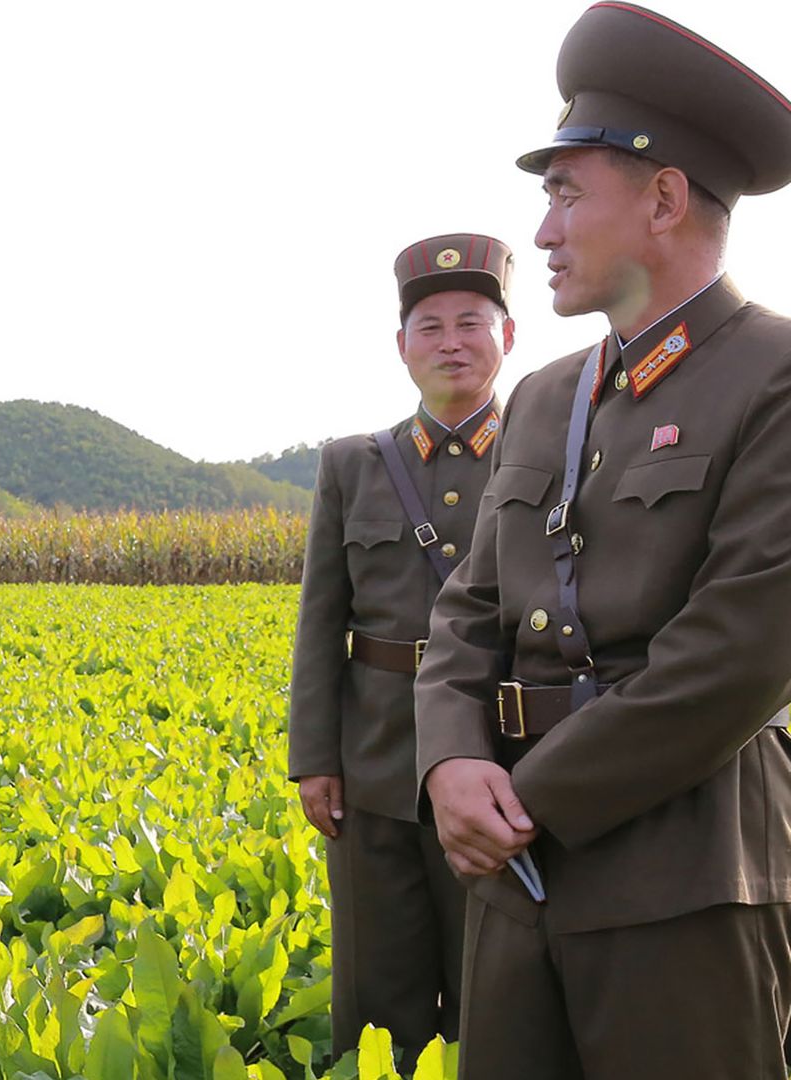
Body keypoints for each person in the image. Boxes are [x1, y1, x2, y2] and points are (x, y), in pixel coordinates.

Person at [414, 5, 791, 1077]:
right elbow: (467, 612)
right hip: (512, 881)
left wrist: (524, 800)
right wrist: (449, 760)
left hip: (685, 879)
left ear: (664, 196)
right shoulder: (542, 398)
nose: (541, 233)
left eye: (566, 194)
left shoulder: (773, 378)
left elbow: (741, 654)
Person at [288, 233, 513, 1066]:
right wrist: (315, 758)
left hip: (501, 758)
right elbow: (321, 622)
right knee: (377, 992)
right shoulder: (353, 464)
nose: (451, 341)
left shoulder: (547, 456)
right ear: (402, 347)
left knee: (497, 981)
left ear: (507, 337)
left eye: (471, 322)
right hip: (374, 758)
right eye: (430, 327)